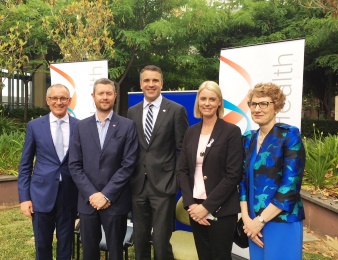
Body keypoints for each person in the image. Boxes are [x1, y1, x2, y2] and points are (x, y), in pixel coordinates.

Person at [68, 78, 138, 260]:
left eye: (109, 93)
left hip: (115, 202)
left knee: (115, 252)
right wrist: (92, 195)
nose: (105, 97)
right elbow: (74, 165)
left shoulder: (127, 126)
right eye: (101, 93)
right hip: (88, 202)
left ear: (115, 96)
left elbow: (128, 164)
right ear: (93, 96)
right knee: (89, 252)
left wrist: (106, 195)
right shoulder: (80, 127)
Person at [127, 65, 188, 260]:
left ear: (161, 83)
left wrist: (176, 181)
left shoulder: (176, 110)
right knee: (140, 237)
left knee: (162, 241)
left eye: (155, 80)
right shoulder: (132, 112)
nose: (150, 84)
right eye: (146, 80)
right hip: (137, 185)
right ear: (140, 84)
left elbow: (182, 150)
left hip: (164, 185)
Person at [239, 82, 305, 260]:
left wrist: (260, 222)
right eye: (254, 104)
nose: (257, 109)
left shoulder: (289, 135)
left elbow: (290, 187)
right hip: (253, 222)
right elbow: (243, 181)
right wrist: (247, 220)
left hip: (280, 220)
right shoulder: (247, 139)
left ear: (276, 107)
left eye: (264, 104)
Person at [177, 81, 243, 260]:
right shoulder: (191, 132)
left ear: (219, 102)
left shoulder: (231, 132)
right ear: (198, 101)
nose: (207, 103)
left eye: (212, 99)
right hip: (195, 208)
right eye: (203, 98)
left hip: (221, 210)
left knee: (220, 257)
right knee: (204, 256)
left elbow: (233, 175)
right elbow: (182, 170)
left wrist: (206, 207)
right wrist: (192, 205)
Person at [18, 84, 78, 260]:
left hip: (69, 193)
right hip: (40, 195)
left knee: (66, 243)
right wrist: (24, 198)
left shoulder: (80, 126)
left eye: (63, 98)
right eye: (54, 98)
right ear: (47, 100)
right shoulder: (35, 126)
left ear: (69, 101)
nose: (59, 102)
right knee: (42, 244)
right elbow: (25, 165)